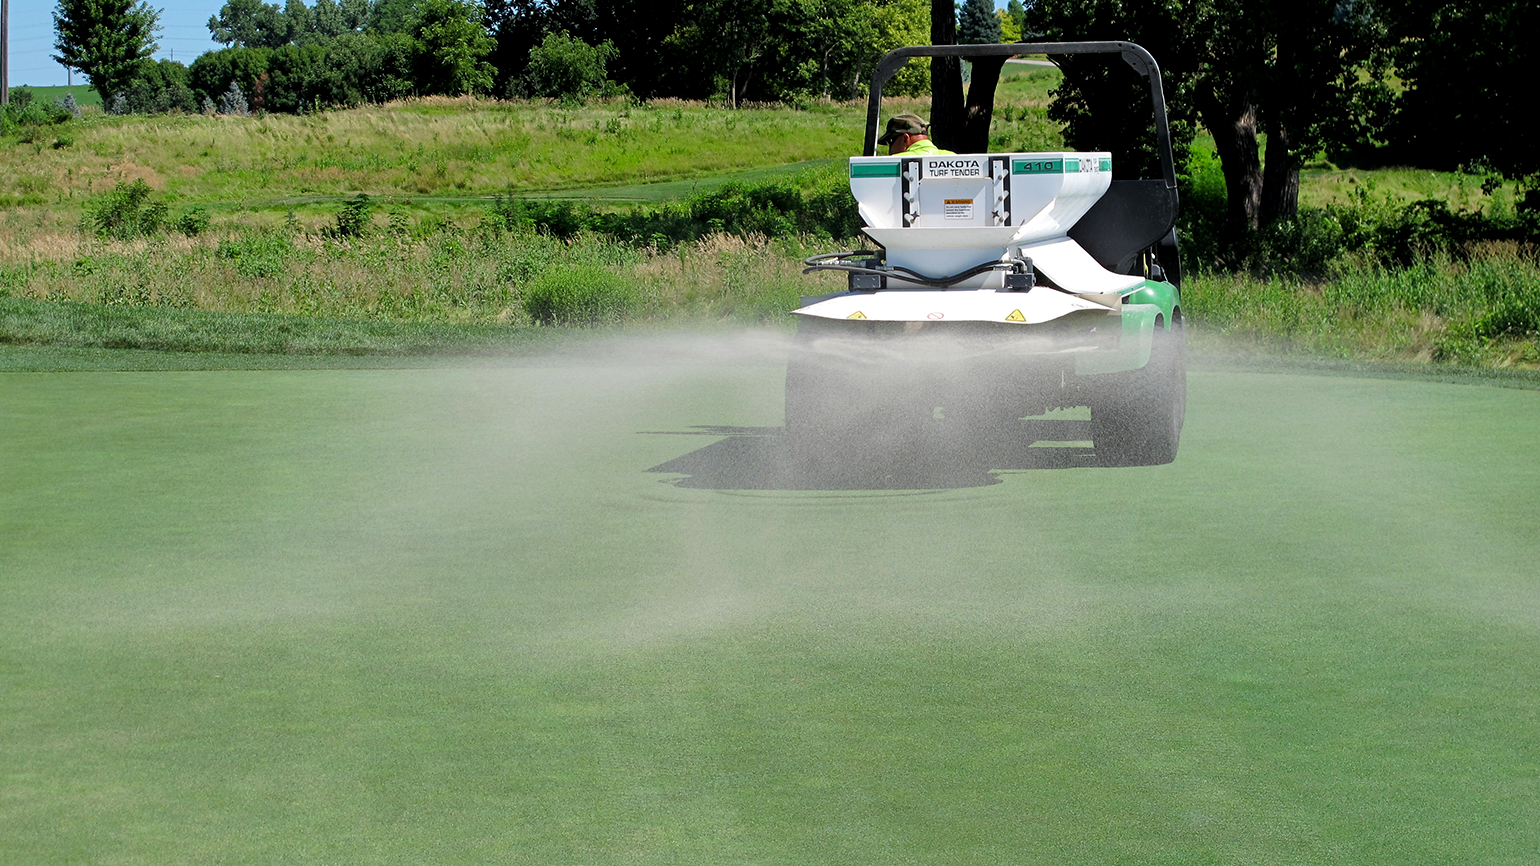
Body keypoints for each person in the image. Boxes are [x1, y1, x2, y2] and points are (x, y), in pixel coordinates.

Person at [877, 114, 955, 156]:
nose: (889, 151)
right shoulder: (954, 158)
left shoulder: (895, 162)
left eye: (890, 142)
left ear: (905, 139)